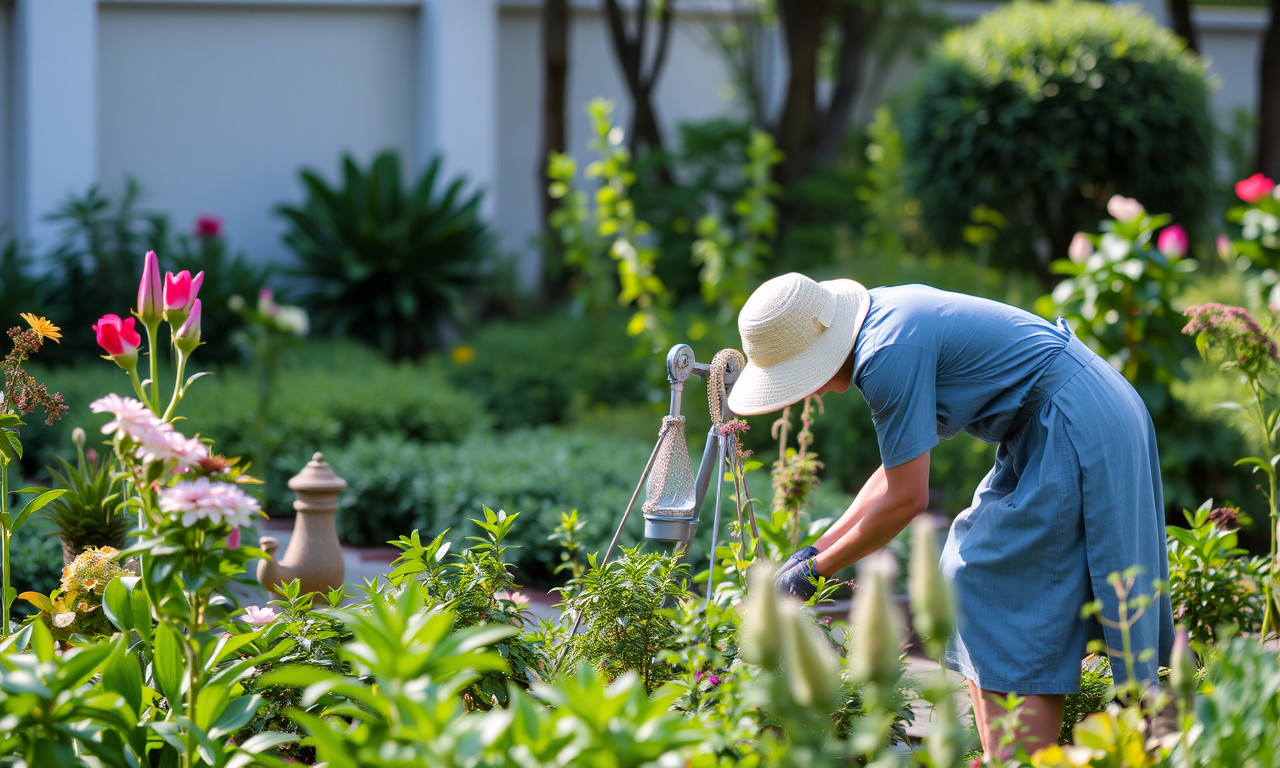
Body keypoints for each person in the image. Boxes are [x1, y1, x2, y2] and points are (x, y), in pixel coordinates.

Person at [725, 272, 1174, 756]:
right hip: (1064, 415)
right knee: (972, 579)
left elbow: (906, 499)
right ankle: (1007, 757)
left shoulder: (885, 356)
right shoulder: (882, 320)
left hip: (1073, 421)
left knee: (990, 584)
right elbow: (893, 473)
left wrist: (816, 573)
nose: (804, 394)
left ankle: (1024, 758)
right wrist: (811, 553)